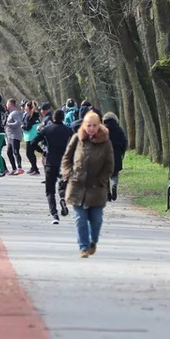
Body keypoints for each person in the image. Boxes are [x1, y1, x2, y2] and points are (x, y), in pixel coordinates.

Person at [61, 112, 114, 258]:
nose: (91, 128)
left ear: (99, 126)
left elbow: (109, 165)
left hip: (96, 188)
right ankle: (83, 247)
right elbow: (67, 158)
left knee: (96, 220)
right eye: (88, 125)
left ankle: (93, 242)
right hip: (77, 185)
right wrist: (68, 174)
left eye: (94, 125)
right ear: (84, 125)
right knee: (80, 219)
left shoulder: (106, 142)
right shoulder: (77, 138)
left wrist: (102, 180)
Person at [38, 109, 74, 224]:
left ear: (53, 118)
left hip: (50, 161)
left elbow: (33, 143)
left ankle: (54, 215)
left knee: (50, 190)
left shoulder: (47, 130)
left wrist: (43, 152)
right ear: (63, 118)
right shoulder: (69, 131)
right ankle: (63, 197)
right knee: (63, 183)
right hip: (64, 161)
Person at [102, 112, 128, 201]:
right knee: (115, 173)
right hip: (116, 154)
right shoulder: (119, 129)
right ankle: (114, 185)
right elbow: (124, 142)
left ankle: (107, 194)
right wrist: (122, 153)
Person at [23, 101, 43, 175]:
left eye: (26, 107)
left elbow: (28, 127)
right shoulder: (37, 115)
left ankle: (35, 169)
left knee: (29, 153)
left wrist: (22, 127)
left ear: (29, 108)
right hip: (35, 136)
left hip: (30, 136)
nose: (25, 108)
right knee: (32, 152)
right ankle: (33, 167)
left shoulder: (30, 116)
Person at [5, 99, 24, 175]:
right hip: (10, 136)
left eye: (7, 104)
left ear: (11, 104)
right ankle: (14, 168)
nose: (6, 105)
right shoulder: (10, 113)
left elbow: (18, 123)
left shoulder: (15, 113)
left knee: (15, 152)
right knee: (9, 152)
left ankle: (20, 168)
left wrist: (8, 124)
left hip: (15, 136)